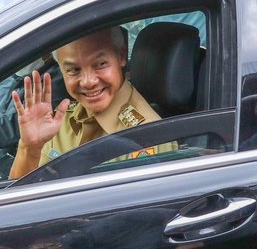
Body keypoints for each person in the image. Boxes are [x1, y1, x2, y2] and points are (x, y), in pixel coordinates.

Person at [9, 27, 176, 179]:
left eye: (101, 64)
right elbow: (19, 201)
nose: (88, 81)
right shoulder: (61, 121)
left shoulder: (147, 137)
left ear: (122, 56)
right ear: (61, 71)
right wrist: (29, 148)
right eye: (73, 70)